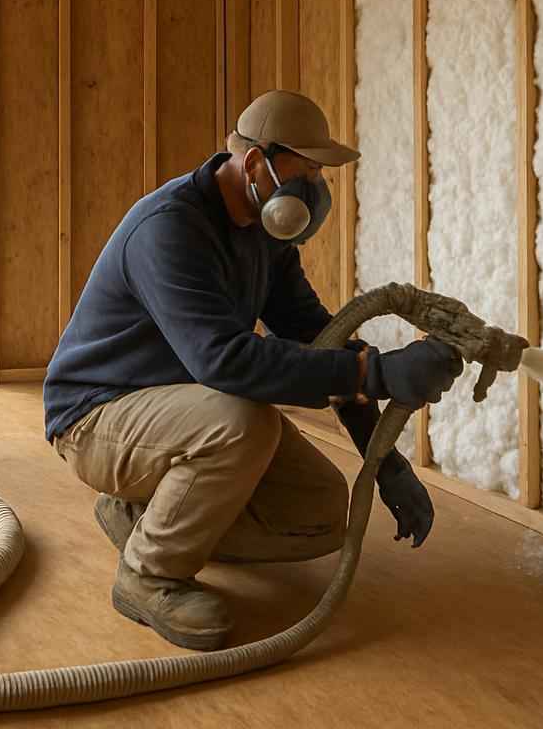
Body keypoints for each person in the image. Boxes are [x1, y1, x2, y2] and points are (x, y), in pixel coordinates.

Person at [43, 90, 464, 651]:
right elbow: (224, 360)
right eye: (306, 171)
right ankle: (149, 575)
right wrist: (374, 374)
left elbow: (318, 340)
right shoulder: (169, 229)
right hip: (96, 416)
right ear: (253, 163)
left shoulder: (267, 237)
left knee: (318, 511)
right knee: (244, 423)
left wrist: (385, 461)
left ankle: (142, 514)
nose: (315, 189)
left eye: (319, 175)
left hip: (180, 410)